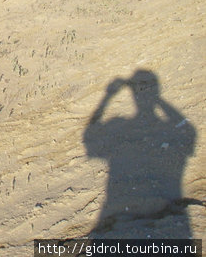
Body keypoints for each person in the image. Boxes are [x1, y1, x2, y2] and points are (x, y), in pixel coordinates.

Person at [83, 70, 196, 237]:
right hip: (169, 221)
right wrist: (156, 98)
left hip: (119, 210)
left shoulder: (123, 127)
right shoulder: (169, 130)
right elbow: (188, 129)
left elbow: (89, 137)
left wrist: (107, 97)